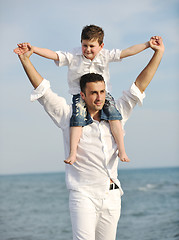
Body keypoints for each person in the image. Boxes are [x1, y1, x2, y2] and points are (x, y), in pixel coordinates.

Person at [14, 36, 164, 240]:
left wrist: (158, 53)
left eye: (102, 92)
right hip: (83, 195)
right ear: (82, 95)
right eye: (93, 93)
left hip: (112, 195)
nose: (99, 97)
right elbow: (43, 92)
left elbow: (139, 85)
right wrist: (26, 60)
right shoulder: (68, 115)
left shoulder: (116, 114)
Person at [14, 24, 152, 165]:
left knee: (115, 117)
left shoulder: (106, 55)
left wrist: (147, 44)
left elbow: (127, 52)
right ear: (81, 43)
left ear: (101, 46)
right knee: (77, 120)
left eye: (92, 46)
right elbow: (54, 54)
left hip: (103, 95)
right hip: (79, 95)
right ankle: (73, 153)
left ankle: (122, 150)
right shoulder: (73, 55)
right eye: (84, 45)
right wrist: (34, 50)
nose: (87, 50)